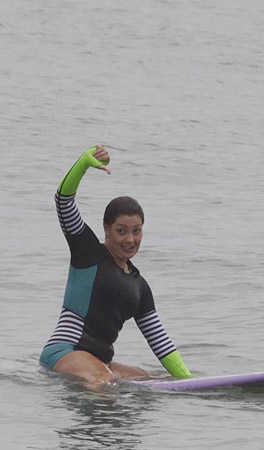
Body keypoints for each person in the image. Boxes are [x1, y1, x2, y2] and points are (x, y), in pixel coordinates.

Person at [39, 145, 192, 385]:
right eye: (121, 231)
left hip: (101, 361)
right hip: (64, 352)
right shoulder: (88, 252)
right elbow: (63, 201)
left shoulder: (140, 287)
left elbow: (160, 342)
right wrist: (83, 163)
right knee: (102, 379)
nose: (130, 239)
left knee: (150, 379)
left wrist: (188, 381)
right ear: (107, 229)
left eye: (136, 231)